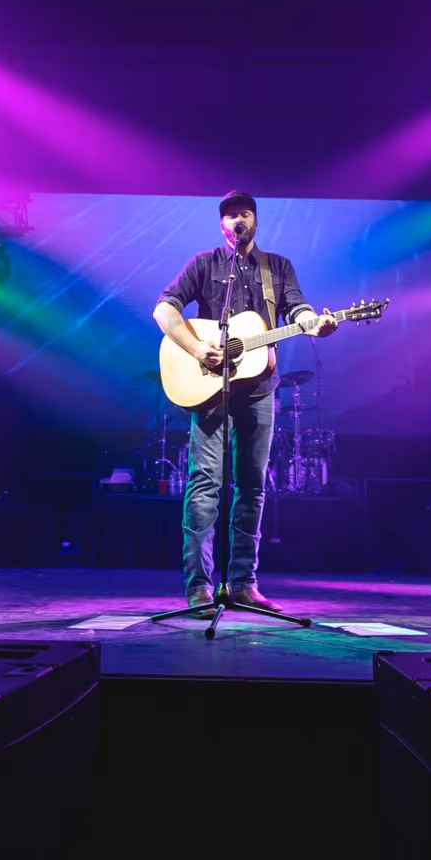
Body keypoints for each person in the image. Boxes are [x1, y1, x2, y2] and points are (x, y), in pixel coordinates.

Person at [153, 190, 338, 611]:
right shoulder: (204, 264)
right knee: (205, 484)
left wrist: (313, 323)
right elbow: (164, 309)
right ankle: (199, 586)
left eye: (246, 213)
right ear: (222, 225)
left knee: (252, 486)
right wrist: (196, 348)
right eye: (231, 215)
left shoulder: (278, 267)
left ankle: (243, 583)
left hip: (259, 388)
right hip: (210, 389)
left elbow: (297, 309)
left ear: (256, 220)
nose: (239, 219)